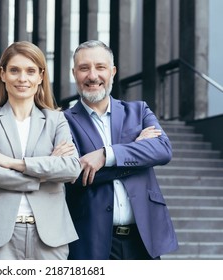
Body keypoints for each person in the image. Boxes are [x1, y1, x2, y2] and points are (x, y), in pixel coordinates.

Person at [0, 41, 81, 260]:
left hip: (50, 235)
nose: (22, 78)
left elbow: (71, 169)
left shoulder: (56, 119)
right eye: (14, 70)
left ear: (40, 76)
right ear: (2, 74)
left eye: (30, 71)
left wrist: (9, 162)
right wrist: (44, 174)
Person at [64, 40, 178, 260]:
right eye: (84, 68)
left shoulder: (138, 111)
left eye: (100, 67)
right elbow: (75, 175)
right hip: (91, 240)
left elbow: (163, 150)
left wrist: (106, 155)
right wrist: (136, 151)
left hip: (143, 238)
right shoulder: (62, 121)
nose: (93, 75)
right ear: (74, 73)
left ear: (113, 72)